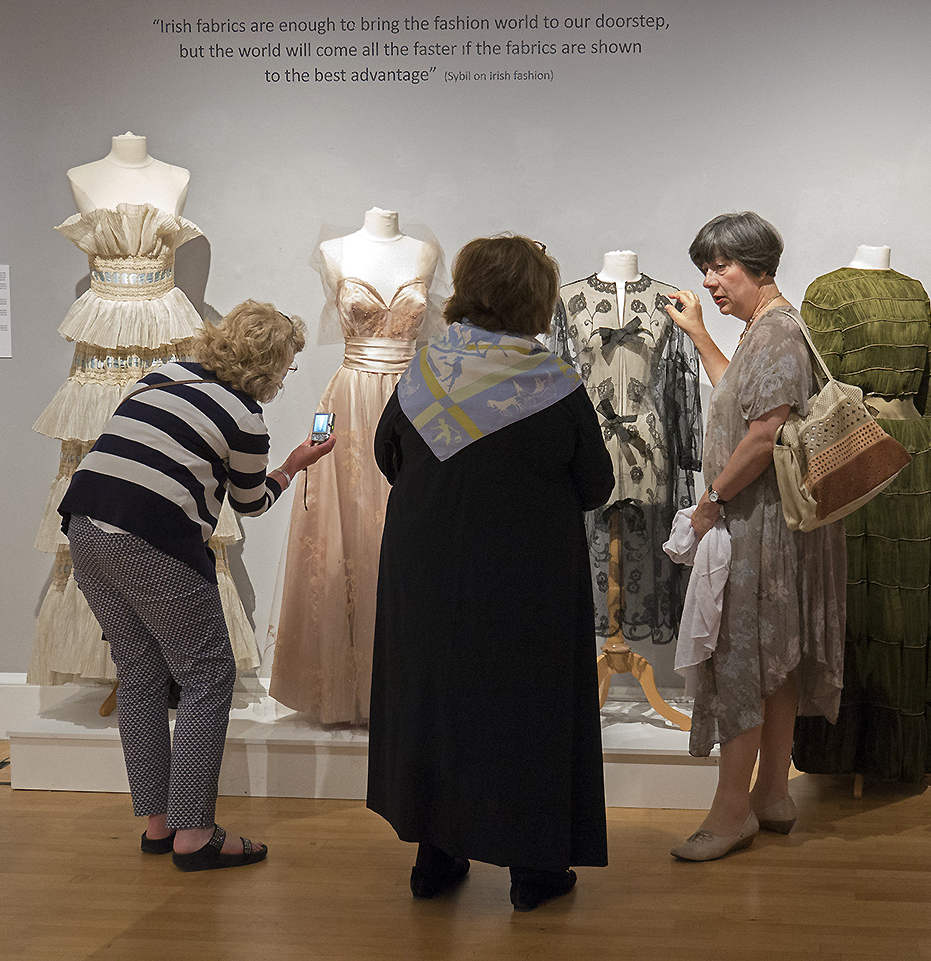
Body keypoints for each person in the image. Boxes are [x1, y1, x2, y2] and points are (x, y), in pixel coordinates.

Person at [367, 235, 614, 911]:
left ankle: (435, 855)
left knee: (437, 701)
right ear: (536, 298)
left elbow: (388, 454)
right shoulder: (552, 381)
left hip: (425, 572)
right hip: (524, 580)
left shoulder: (424, 369)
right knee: (524, 709)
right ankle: (535, 869)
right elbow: (595, 483)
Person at [59, 300, 334, 870]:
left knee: (141, 672)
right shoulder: (244, 415)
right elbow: (251, 502)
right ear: (274, 365)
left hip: (85, 523)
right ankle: (195, 833)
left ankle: (159, 824)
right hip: (149, 537)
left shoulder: (162, 376)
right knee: (207, 674)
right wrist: (293, 464)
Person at [661, 212, 846, 861]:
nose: (710, 280)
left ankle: (731, 812)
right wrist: (701, 335)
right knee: (773, 660)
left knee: (740, 660)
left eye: (721, 266)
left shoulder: (776, 336)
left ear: (758, 265)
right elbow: (735, 400)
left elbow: (763, 436)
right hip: (769, 523)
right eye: (705, 267)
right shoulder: (765, 331)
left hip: (758, 525)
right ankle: (771, 794)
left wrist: (710, 502)